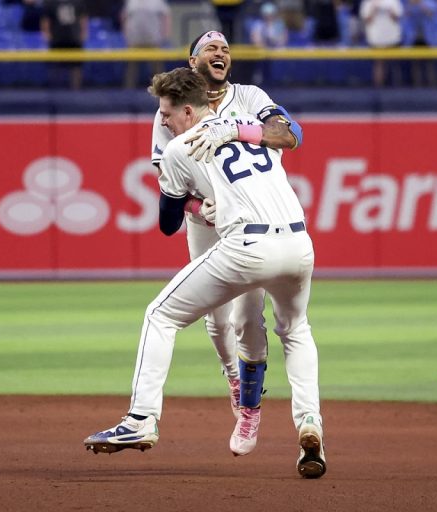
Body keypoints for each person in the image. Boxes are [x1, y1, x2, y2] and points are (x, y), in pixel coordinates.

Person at [84, 67, 326, 479]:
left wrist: (191, 204)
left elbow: (166, 222)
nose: (163, 120)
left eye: (168, 112)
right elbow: (290, 135)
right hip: (299, 243)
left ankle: (141, 418)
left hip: (247, 246)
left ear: (190, 112)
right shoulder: (253, 128)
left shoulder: (179, 148)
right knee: (296, 330)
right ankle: (310, 426)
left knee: (161, 315)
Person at [149, 30, 304, 456]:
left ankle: (250, 407)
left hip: (249, 220)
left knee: (247, 318)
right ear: (193, 60)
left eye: (226, 49)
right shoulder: (171, 110)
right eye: (211, 48)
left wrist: (239, 128)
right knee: (215, 321)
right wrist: (201, 211)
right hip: (206, 221)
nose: (221, 53)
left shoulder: (249, 95)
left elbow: (294, 135)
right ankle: (232, 376)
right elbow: (170, 185)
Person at [121, 0, 172, 88]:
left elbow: (166, 16)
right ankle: (128, 90)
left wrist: (165, 33)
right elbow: (124, 16)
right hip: (135, 39)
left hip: (153, 39)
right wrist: (125, 34)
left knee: (157, 67)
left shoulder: (158, 2)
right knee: (131, 68)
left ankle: (161, 89)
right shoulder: (131, 1)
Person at [40, 0, 88, 89]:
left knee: (76, 67)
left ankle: (76, 89)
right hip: (57, 39)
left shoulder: (78, 2)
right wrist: (47, 33)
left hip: (74, 38)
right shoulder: (50, 3)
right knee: (55, 66)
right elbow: (45, 19)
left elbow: (83, 17)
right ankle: (55, 88)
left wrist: (83, 32)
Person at [359, 0, 404, 87]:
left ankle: (397, 89)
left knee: (395, 64)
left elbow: (398, 18)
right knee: (379, 63)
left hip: (392, 38)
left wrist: (389, 10)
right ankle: (379, 89)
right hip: (376, 38)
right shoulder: (368, 2)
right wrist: (374, 9)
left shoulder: (393, 1)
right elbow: (367, 20)